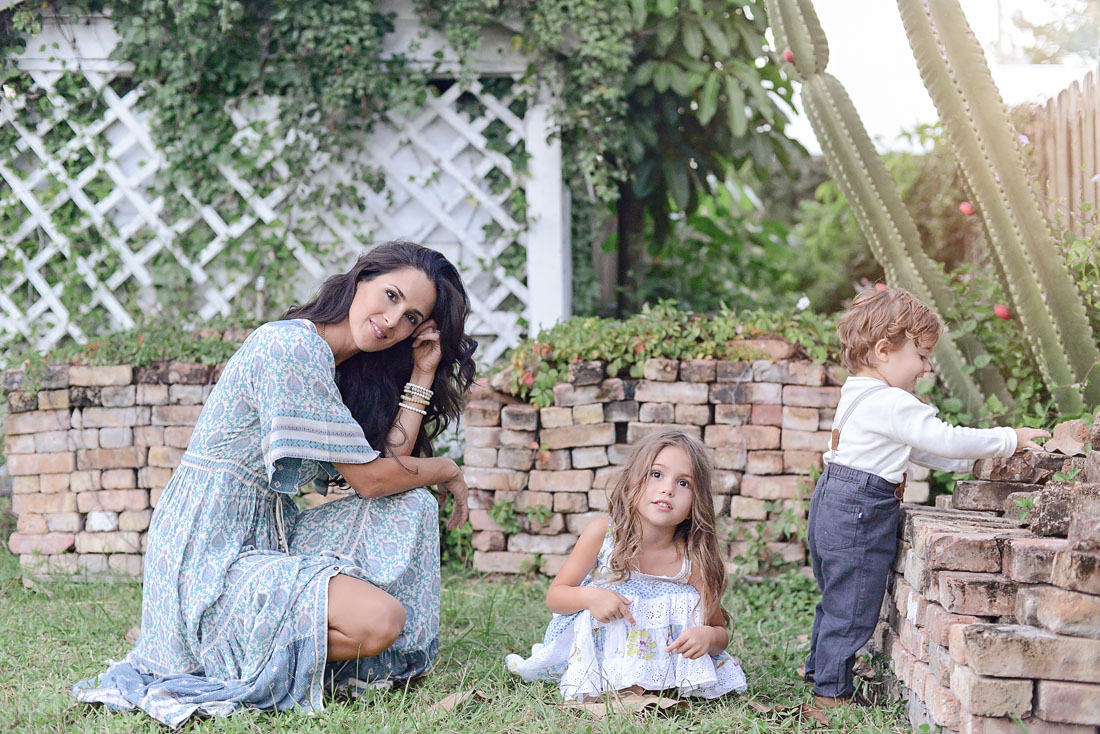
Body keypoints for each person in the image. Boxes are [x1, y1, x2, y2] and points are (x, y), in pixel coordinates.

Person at [73, 241, 477, 728]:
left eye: (412, 317)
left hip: (266, 535)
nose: (393, 320)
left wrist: (421, 373)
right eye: (390, 295)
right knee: (381, 621)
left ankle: (251, 646)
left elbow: (390, 469)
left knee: (408, 502)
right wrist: (449, 470)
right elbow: (372, 481)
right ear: (361, 277)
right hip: (209, 548)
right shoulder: (291, 346)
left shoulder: (340, 367)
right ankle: (215, 649)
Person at [805, 287, 1049, 709]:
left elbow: (921, 449)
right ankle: (830, 694)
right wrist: (1009, 439)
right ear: (884, 350)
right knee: (856, 602)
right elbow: (943, 437)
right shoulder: (892, 402)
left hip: (833, 499)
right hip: (861, 508)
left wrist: (966, 464)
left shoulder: (858, 393)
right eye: (920, 355)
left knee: (838, 597)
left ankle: (820, 670)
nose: (925, 367)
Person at [506, 430, 748, 701]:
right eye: (656, 474)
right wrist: (590, 596)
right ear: (632, 481)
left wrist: (706, 636)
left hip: (666, 671)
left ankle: (661, 680)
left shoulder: (692, 560)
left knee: (688, 606)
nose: (667, 488)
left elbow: (718, 632)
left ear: (696, 501)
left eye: (684, 483)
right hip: (604, 660)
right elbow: (556, 596)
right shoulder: (603, 535)